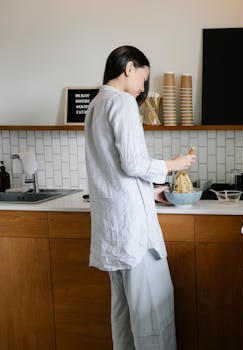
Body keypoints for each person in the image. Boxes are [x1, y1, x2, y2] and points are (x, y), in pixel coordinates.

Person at [84, 45, 195, 350]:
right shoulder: (122, 102)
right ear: (129, 67)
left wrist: (149, 191)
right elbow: (133, 163)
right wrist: (173, 165)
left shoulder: (97, 104)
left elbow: (114, 170)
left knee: (123, 315)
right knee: (152, 315)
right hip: (134, 232)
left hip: (113, 228)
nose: (143, 88)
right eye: (144, 80)